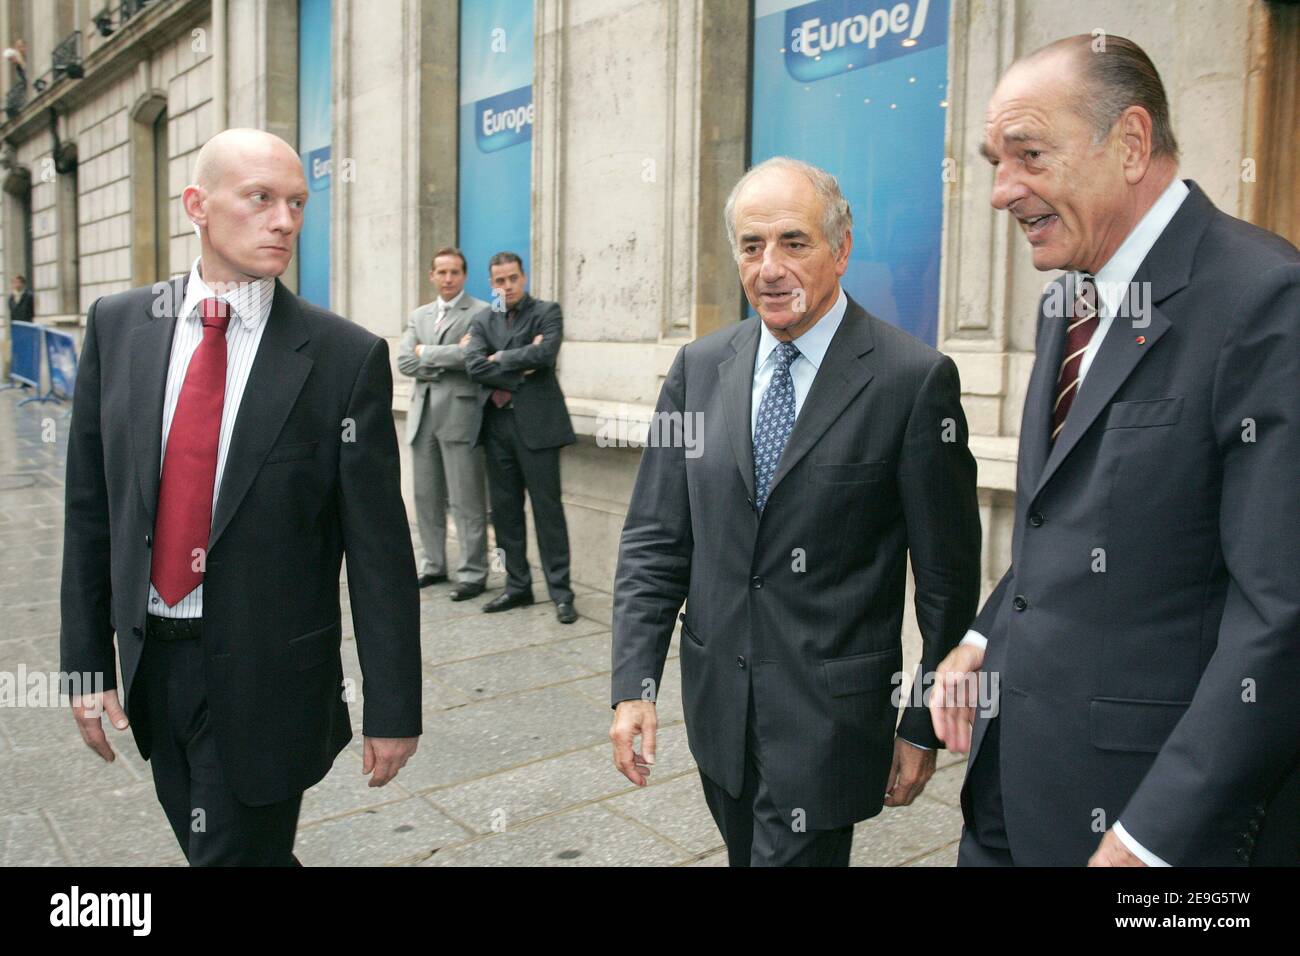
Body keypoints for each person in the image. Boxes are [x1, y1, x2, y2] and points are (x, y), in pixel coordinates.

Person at [931, 35, 1300, 866]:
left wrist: (1154, 834)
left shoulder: (1265, 299)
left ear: (1130, 143)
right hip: (1009, 789)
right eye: (995, 161)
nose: (1001, 193)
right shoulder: (1069, 299)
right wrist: (985, 638)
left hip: (1146, 819)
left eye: (1028, 156)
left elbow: (1280, 614)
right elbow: (1063, 522)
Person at [60, 128, 422, 866]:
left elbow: (380, 554)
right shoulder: (120, 326)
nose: (285, 220)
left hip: (269, 682)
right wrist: (87, 664)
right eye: (261, 198)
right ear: (197, 204)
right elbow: (92, 510)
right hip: (153, 667)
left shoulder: (344, 358)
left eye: (296, 202)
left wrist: (394, 706)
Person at [609, 157, 981, 866]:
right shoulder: (697, 368)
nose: (769, 267)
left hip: (829, 724)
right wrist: (636, 684)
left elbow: (947, 577)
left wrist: (922, 723)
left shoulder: (912, 380)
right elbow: (655, 539)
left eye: (793, 242)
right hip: (719, 712)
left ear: (841, 250)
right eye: (752, 246)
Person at [464, 252, 579, 624]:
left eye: (513, 278)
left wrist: (498, 359)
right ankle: (517, 587)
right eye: (500, 280)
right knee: (506, 513)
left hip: (538, 427)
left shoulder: (547, 311)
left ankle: (561, 593)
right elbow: (473, 366)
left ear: (524, 278)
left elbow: (546, 354)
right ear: (491, 282)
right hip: (496, 426)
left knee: (549, 513)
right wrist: (517, 365)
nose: (507, 286)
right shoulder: (482, 320)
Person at [397, 247, 491, 601]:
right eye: (442, 272)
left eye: (455, 272)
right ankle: (433, 564)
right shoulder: (419, 315)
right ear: (432, 275)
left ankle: (473, 572)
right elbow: (404, 360)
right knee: (426, 497)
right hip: (422, 419)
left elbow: (472, 357)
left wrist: (425, 353)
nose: (448, 278)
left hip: (459, 416)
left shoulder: (480, 312)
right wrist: (440, 355)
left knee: (466, 498)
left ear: (464, 276)